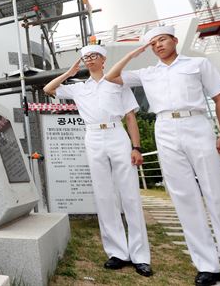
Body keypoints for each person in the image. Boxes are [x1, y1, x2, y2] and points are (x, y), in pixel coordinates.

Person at [104, 26, 220, 286]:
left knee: (217, 195)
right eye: (153, 43)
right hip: (165, 129)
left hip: (196, 124)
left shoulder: (198, 64)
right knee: (184, 199)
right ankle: (208, 266)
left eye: (162, 39)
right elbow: (111, 77)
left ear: (174, 40)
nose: (158, 45)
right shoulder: (148, 73)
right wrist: (135, 53)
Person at [43, 44, 152, 277]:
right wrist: (69, 73)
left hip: (116, 133)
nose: (89, 59)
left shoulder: (117, 82)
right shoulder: (78, 88)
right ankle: (117, 252)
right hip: (93, 136)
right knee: (104, 195)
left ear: (104, 59)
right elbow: (48, 89)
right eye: (85, 57)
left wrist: (136, 147)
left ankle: (140, 256)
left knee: (129, 194)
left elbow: (131, 118)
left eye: (94, 56)